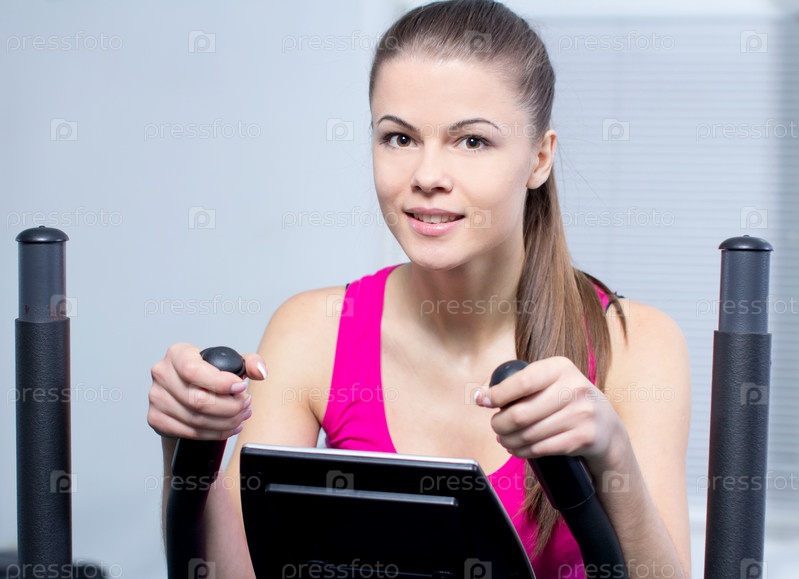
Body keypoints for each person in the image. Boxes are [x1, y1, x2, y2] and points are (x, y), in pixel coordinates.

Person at [147, 1, 691, 577]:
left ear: (540, 158)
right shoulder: (313, 331)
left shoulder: (635, 344)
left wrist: (612, 455)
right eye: (400, 138)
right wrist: (187, 448)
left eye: (472, 141)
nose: (427, 176)